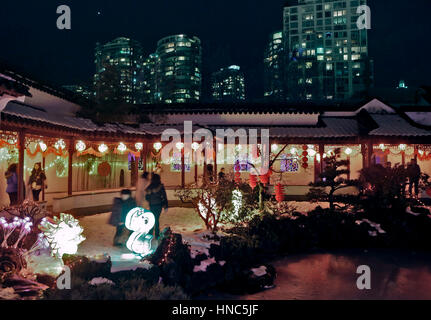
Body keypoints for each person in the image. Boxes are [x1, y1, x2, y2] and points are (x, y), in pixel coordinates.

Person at [145, 174, 168, 240]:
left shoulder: (150, 187)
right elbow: (164, 196)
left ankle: (150, 233)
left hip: (152, 205)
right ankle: (157, 234)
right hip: (159, 205)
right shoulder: (160, 186)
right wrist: (165, 206)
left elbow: (147, 197)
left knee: (152, 219)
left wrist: (149, 200)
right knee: (156, 219)